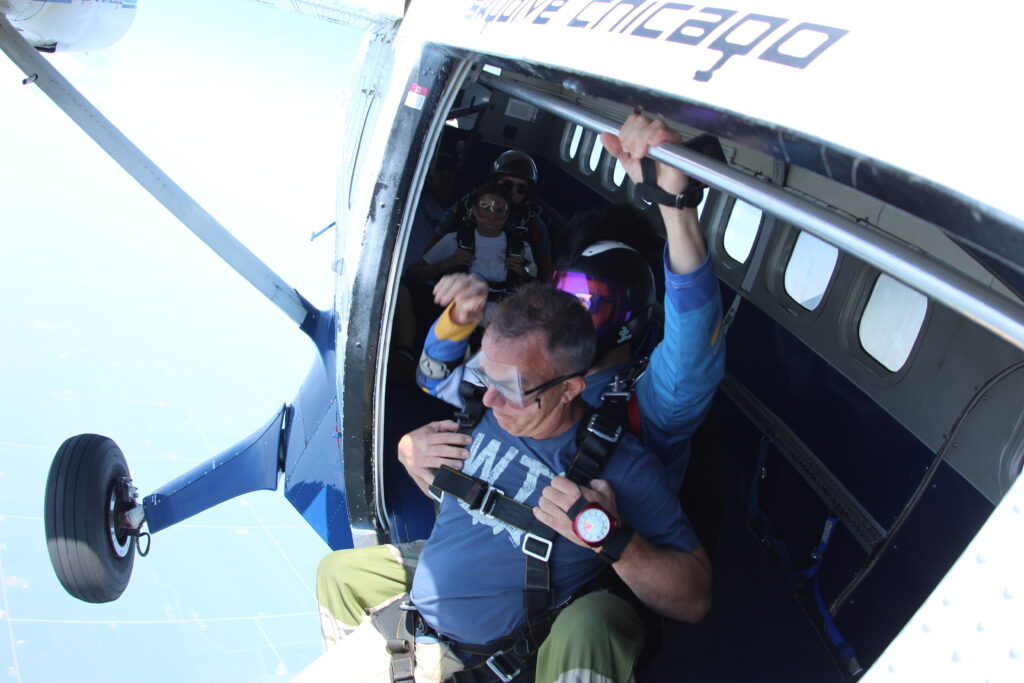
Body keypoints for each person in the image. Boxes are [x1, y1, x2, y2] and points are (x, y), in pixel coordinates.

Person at [309, 284, 710, 683]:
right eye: (485, 373)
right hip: (412, 632)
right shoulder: (478, 404)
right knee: (337, 571)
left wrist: (612, 539)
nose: (489, 400)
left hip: (506, 658)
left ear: (568, 388)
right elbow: (431, 376)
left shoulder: (624, 468)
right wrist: (406, 448)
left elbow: (693, 599)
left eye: (512, 388)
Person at [416, 112, 725, 490]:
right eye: (564, 294)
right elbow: (434, 380)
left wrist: (675, 208)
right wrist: (457, 321)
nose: (568, 314)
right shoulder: (529, 361)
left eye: (590, 302)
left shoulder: (653, 404)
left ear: (633, 320)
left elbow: (692, 351)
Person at [433, 150, 553, 282]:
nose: (512, 192)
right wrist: (448, 263)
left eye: (521, 188)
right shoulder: (463, 209)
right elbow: (431, 252)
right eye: (507, 184)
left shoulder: (533, 223)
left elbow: (544, 272)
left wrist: (527, 268)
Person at [407, 182, 537, 295]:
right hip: (460, 315)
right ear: (474, 210)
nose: (492, 217)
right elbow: (412, 274)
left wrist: (526, 270)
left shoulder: (520, 247)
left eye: (500, 211)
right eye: (486, 209)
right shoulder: (454, 240)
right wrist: (446, 263)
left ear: (507, 215)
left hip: (504, 317)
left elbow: (537, 281)